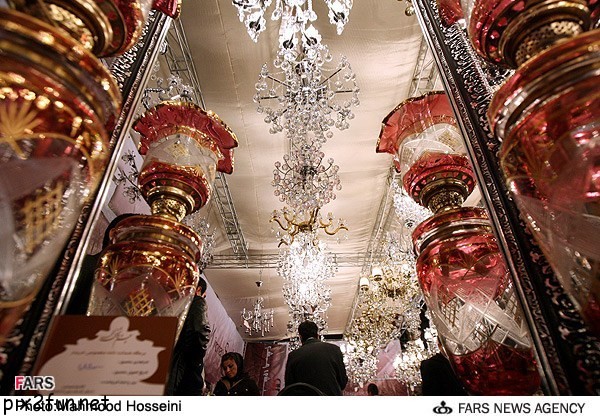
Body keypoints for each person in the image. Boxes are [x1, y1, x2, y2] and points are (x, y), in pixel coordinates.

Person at [165, 276, 211, 395]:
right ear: (198, 289)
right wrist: (195, 360)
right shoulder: (197, 301)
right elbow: (199, 331)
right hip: (181, 375)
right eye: (204, 295)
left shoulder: (168, 304)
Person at [284, 320, 348, 396]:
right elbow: (342, 382)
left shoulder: (294, 355)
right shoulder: (334, 350)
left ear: (300, 337)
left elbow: (290, 388)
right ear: (317, 334)